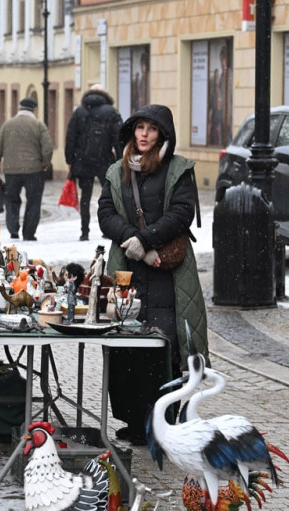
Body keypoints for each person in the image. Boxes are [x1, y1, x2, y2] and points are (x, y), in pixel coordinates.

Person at [96, 104, 209, 444]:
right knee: (128, 347)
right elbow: (105, 214)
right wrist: (133, 242)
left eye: (152, 129)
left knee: (165, 345)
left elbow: (180, 214)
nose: (144, 134)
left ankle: (163, 421)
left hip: (166, 273)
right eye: (140, 127)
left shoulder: (177, 170)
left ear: (163, 135)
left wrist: (145, 240)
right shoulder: (118, 171)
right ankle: (133, 420)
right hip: (128, 271)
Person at [0, 97, 54, 241]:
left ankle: (13, 229)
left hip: (11, 170)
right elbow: (48, 147)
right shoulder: (38, 125)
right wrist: (45, 163)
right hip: (34, 171)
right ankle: (29, 233)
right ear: (34, 109)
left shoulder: (8, 125)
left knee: (11, 200)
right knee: (33, 202)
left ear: (19, 108)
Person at [64, 84, 122, 241]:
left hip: (83, 161)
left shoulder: (79, 112)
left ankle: (84, 232)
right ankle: (107, 229)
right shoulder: (111, 112)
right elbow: (119, 138)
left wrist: (70, 160)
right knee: (109, 196)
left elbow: (70, 137)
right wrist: (120, 160)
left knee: (85, 198)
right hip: (105, 160)